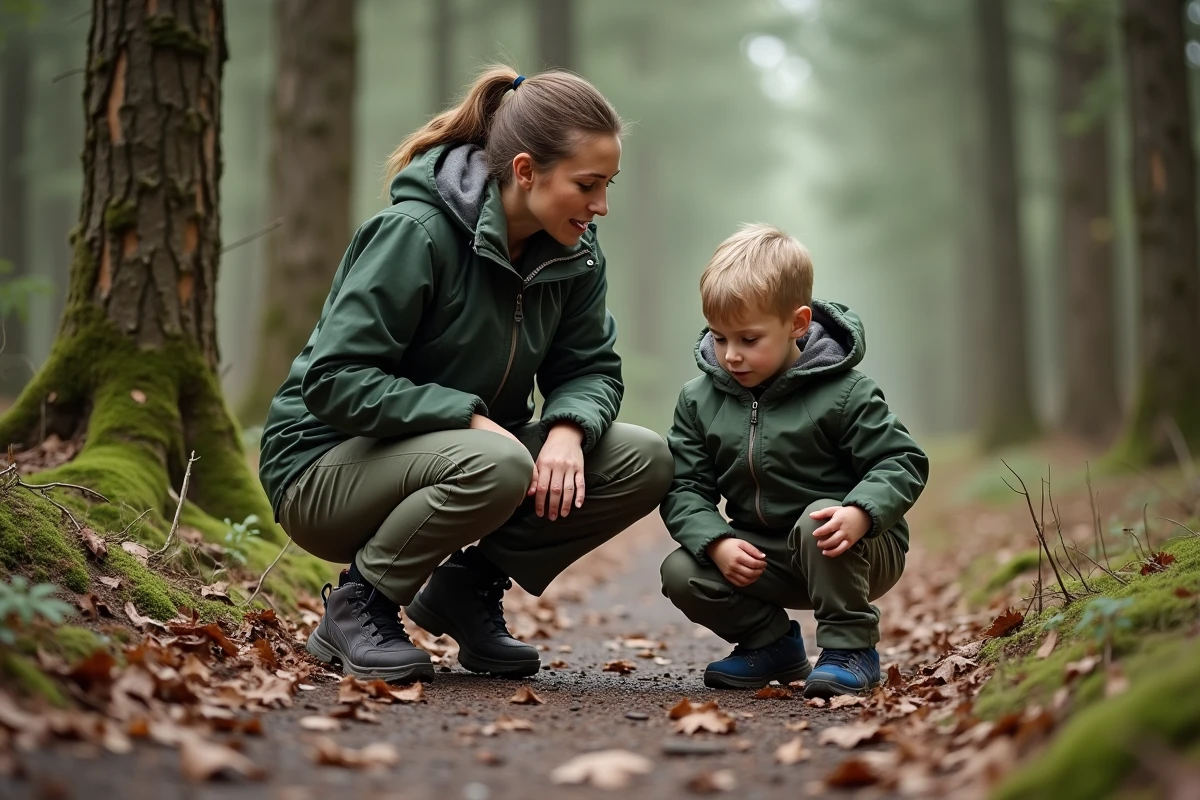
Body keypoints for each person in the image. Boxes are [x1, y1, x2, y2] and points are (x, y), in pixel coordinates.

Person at [258, 66, 673, 684]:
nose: (601, 206)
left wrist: (567, 429)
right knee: (498, 461)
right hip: (323, 470)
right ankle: (358, 607)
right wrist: (468, 415)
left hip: (469, 460)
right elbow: (334, 381)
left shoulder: (576, 255)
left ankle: (465, 589)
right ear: (527, 170)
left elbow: (590, 368)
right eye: (587, 185)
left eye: (608, 185)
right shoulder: (414, 233)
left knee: (647, 458)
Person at [658, 224, 928, 697]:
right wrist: (717, 541)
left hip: (853, 547)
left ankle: (851, 648)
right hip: (766, 556)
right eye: (719, 339)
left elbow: (901, 459)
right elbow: (685, 488)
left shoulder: (845, 392)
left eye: (748, 339)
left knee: (815, 519)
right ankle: (771, 643)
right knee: (681, 571)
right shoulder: (699, 400)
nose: (731, 356)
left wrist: (861, 512)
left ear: (797, 324)